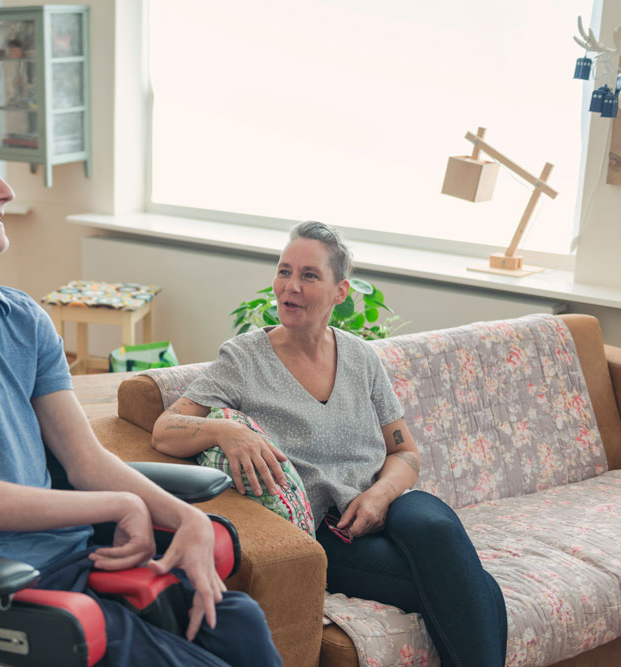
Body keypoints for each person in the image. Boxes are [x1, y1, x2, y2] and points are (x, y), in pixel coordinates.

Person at [0, 109, 280, 667]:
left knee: (239, 623)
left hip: (82, 557)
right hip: (0, 584)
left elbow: (84, 459)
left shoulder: (22, 317)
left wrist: (189, 518)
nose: (5, 191)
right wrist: (124, 504)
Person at [152, 221, 508, 667]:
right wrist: (227, 431)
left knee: (436, 529)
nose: (290, 286)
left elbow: (405, 453)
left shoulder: (361, 356)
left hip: (389, 501)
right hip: (331, 529)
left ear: (340, 292)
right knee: (477, 588)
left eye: (308, 275)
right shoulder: (244, 358)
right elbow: (165, 429)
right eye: (284, 272)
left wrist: (380, 495)